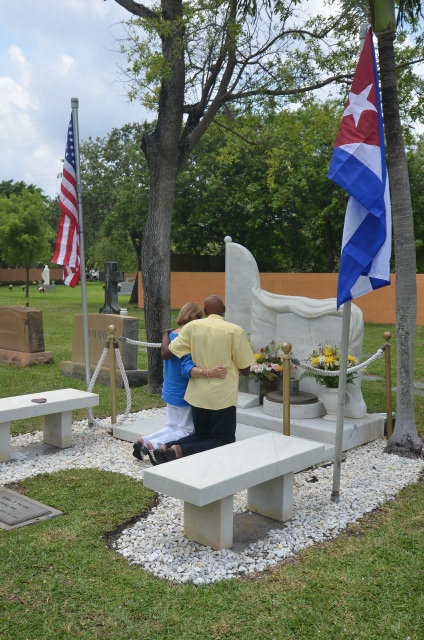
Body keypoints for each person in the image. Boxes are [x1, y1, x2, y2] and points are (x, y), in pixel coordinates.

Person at [154, 294, 255, 463]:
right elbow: (245, 370)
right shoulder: (235, 331)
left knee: (201, 434)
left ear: (206, 311)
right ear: (223, 310)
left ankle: (167, 446)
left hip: (198, 394)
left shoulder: (192, 327)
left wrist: (166, 333)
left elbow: (169, 350)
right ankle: (179, 450)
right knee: (224, 440)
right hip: (222, 397)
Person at [132, 302, 226, 465]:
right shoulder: (188, 337)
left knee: (171, 426)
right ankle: (153, 445)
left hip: (170, 388)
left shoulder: (171, 335)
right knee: (185, 429)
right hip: (183, 391)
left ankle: (144, 440)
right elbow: (186, 367)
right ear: (194, 318)